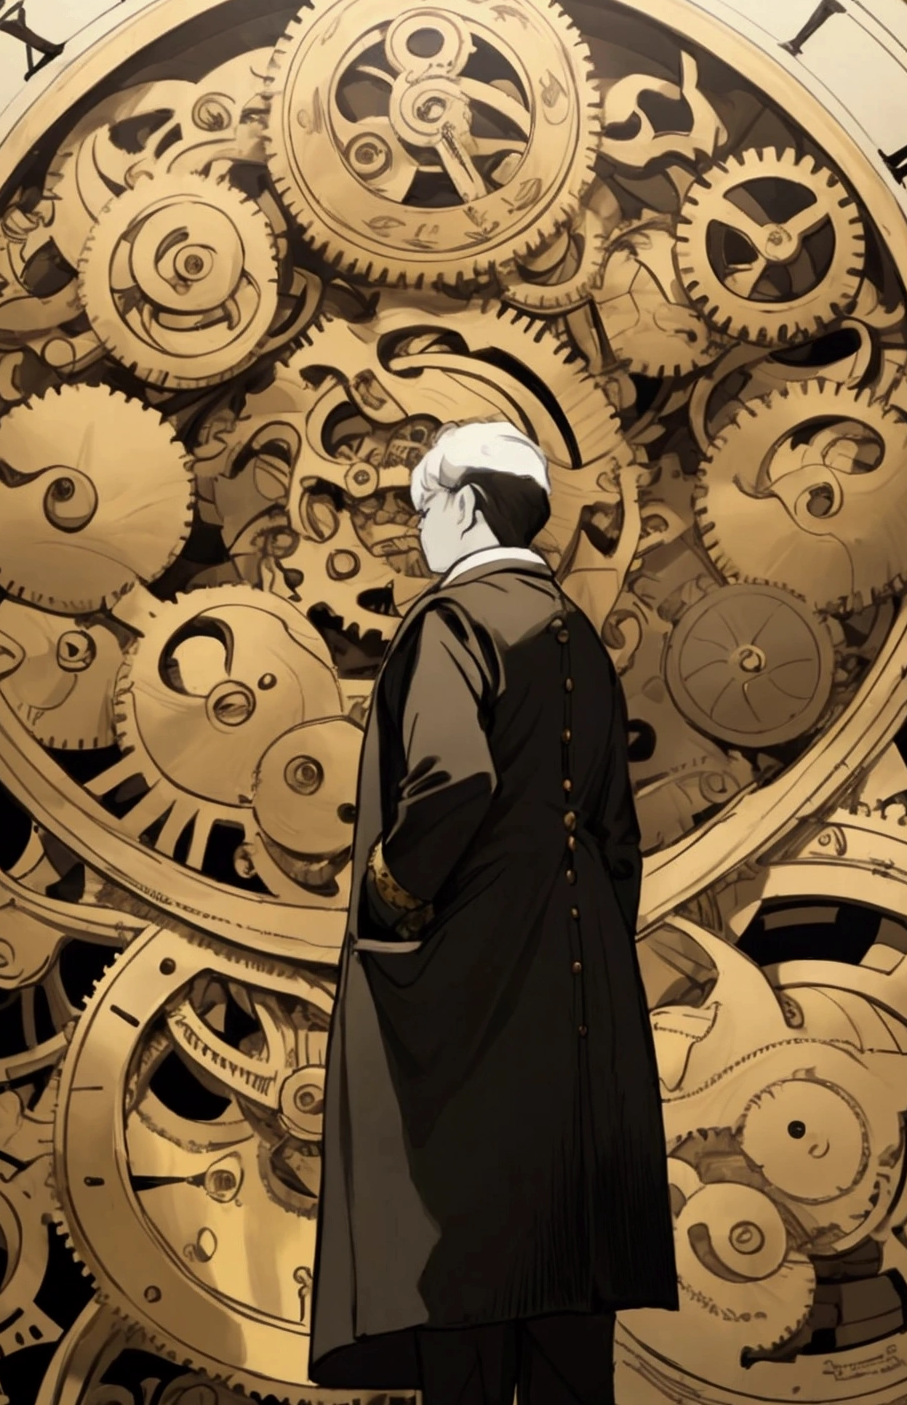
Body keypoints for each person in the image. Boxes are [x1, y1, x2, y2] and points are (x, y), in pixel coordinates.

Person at [309, 419, 678, 1405]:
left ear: (465, 506)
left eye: (421, 509)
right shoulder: (579, 638)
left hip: (469, 994)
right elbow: (616, 837)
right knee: (566, 1299)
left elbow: (452, 781)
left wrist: (391, 904)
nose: (416, 532)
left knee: (460, 1277)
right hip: (583, 993)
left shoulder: (453, 624)